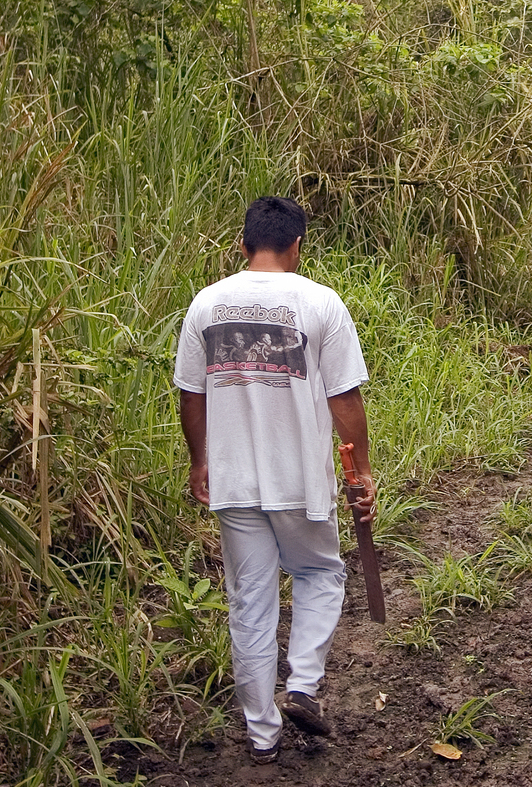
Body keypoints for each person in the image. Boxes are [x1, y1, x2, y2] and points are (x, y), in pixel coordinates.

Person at [173, 196, 376, 764]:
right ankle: (304, 685)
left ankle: (262, 737)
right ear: (296, 246)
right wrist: (361, 472)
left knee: (250, 604)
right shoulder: (321, 303)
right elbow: (346, 399)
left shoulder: (205, 305)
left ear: (243, 244)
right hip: (302, 483)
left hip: (234, 483)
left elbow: (191, 393)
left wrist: (199, 459)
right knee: (319, 573)